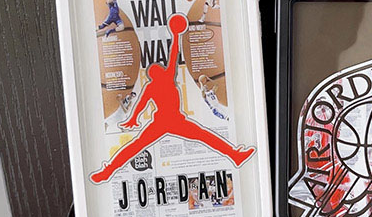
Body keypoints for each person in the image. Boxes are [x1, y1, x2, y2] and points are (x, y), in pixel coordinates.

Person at [90, 14, 254, 184]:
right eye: (158, 68)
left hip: (166, 121)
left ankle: (108, 171)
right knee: (204, 136)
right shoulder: (165, 79)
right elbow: (173, 54)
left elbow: (141, 105)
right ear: (156, 73)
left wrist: (133, 119)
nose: (161, 68)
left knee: (136, 147)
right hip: (171, 121)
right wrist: (175, 35)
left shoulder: (153, 85)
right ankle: (234, 155)